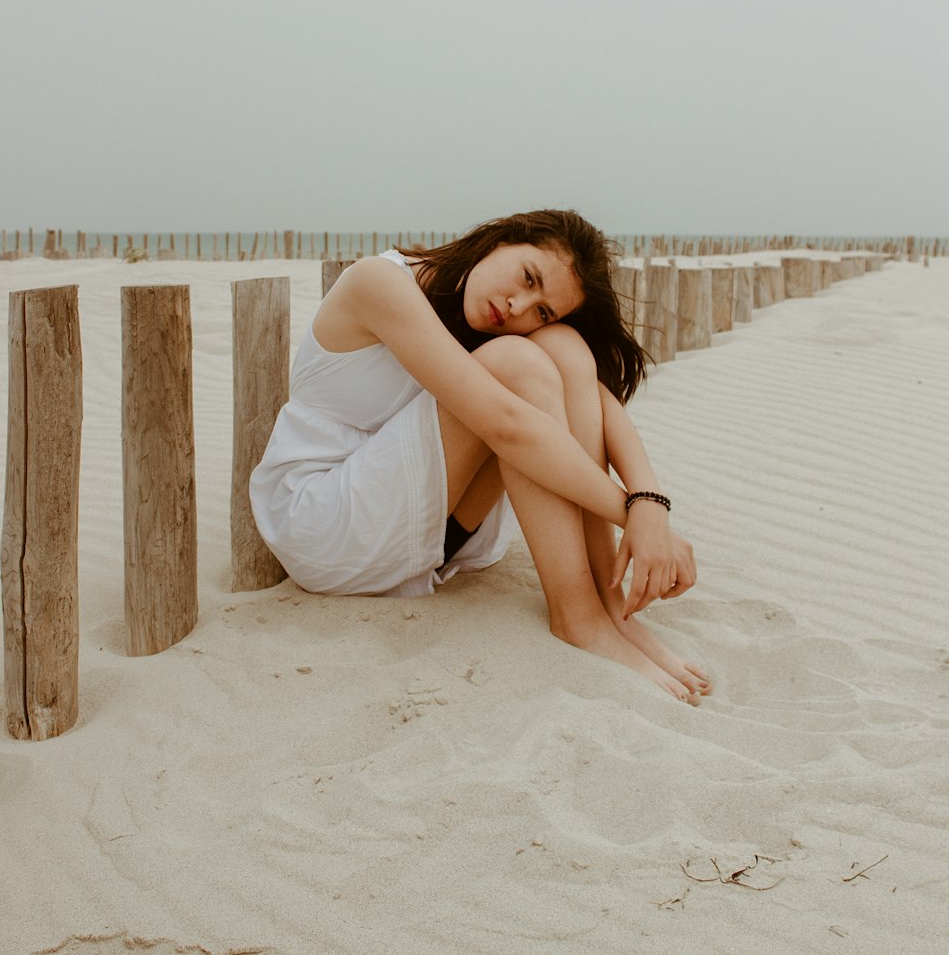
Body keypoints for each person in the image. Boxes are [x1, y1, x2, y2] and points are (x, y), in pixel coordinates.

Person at [250, 209, 709, 703]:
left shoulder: (493, 314)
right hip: (325, 523)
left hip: (428, 531)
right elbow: (505, 425)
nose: (518, 306)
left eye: (540, 307)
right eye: (528, 277)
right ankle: (578, 617)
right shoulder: (377, 282)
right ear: (500, 240)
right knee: (517, 365)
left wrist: (650, 504)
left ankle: (608, 603)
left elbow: (598, 401)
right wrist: (629, 512)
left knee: (565, 344)